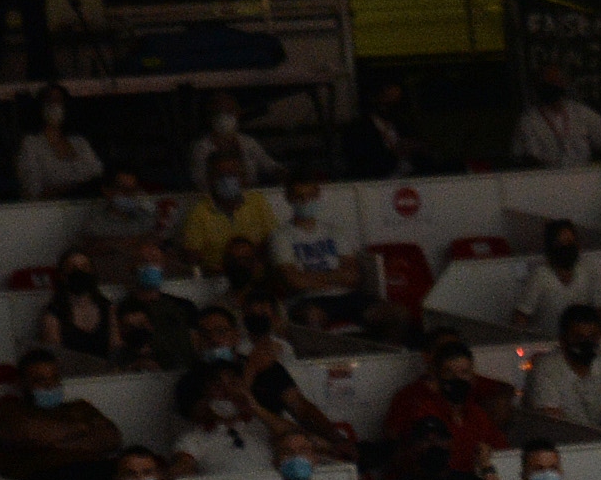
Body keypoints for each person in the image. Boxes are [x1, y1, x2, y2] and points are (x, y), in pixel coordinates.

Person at [0, 349, 125, 480]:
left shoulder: (79, 407)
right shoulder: (11, 411)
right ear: (22, 383)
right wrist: (84, 429)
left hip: (95, 473)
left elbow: (112, 437)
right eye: (40, 380)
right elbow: (33, 433)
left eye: (54, 378)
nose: (49, 385)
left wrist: (57, 440)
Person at [385, 334, 510, 471]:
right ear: (437, 377)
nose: (458, 379)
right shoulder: (424, 413)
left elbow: (502, 453)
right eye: (449, 373)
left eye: (464, 373)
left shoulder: (477, 415)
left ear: (473, 377)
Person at [523, 306, 601, 433]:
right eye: (578, 337)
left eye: (592, 337)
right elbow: (553, 426)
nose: (586, 343)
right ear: (563, 339)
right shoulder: (546, 368)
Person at [268, 178, 364, 326]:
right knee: (311, 317)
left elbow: (353, 276)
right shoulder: (281, 236)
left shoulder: (334, 231)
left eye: (310, 196)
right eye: (299, 197)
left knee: (394, 314)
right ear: (289, 198)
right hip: (306, 300)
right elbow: (295, 282)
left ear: (317, 196)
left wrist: (311, 279)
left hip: (345, 296)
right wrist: (336, 275)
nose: (306, 201)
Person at [511, 221, 601, 338]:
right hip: (547, 343)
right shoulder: (540, 275)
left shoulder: (587, 271)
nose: (566, 247)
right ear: (551, 247)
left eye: (570, 242)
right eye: (561, 243)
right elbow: (521, 315)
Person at [174, 160, 276, 274]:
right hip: (217, 278)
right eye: (220, 176)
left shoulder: (258, 202)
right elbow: (192, 257)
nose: (226, 180)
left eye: (231, 174)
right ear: (210, 179)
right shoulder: (198, 213)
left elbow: (273, 240)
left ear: (242, 177)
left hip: (258, 275)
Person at [512, 62, 601, 166]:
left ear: (563, 83)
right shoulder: (529, 121)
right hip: (550, 179)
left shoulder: (578, 112)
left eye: (555, 81)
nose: (551, 86)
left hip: (583, 177)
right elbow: (525, 158)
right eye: (547, 82)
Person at [172, 374, 275, 477]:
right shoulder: (194, 438)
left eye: (233, 385)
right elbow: (183, 467)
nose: (228, 392)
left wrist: (254, 406)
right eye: (218, 387)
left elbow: (288, 434)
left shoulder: (264, 425)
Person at [17, 85, 106, 200]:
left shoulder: (80, 143)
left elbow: (98, 174)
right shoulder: (31, 144)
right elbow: (33, 189)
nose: (55, 105)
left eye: (59, 101)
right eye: (50, 100)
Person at [342, 74, 426, 178]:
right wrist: (396, 153)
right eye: (386, 103)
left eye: (396, 104)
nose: (391, 108)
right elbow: (363, 165)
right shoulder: (359, 130)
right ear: (373, 99)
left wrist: (418, 149)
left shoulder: (404, 126)